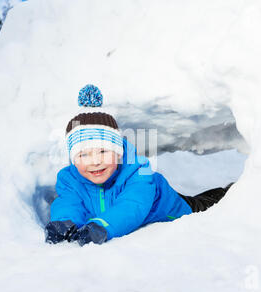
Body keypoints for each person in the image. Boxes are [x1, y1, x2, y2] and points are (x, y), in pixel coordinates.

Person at [45, 84, 234, 246]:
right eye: (83, 154)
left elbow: (132, 206)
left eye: (103, 151)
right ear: (73, 159)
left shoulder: (138, 171)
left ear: (118, 153)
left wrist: (102, 226)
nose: (95, 161)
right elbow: (68, 203)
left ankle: (232, 191)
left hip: (175, 207)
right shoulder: (70, 180)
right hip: (115, 215)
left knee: (209, 203)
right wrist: (65, 223)